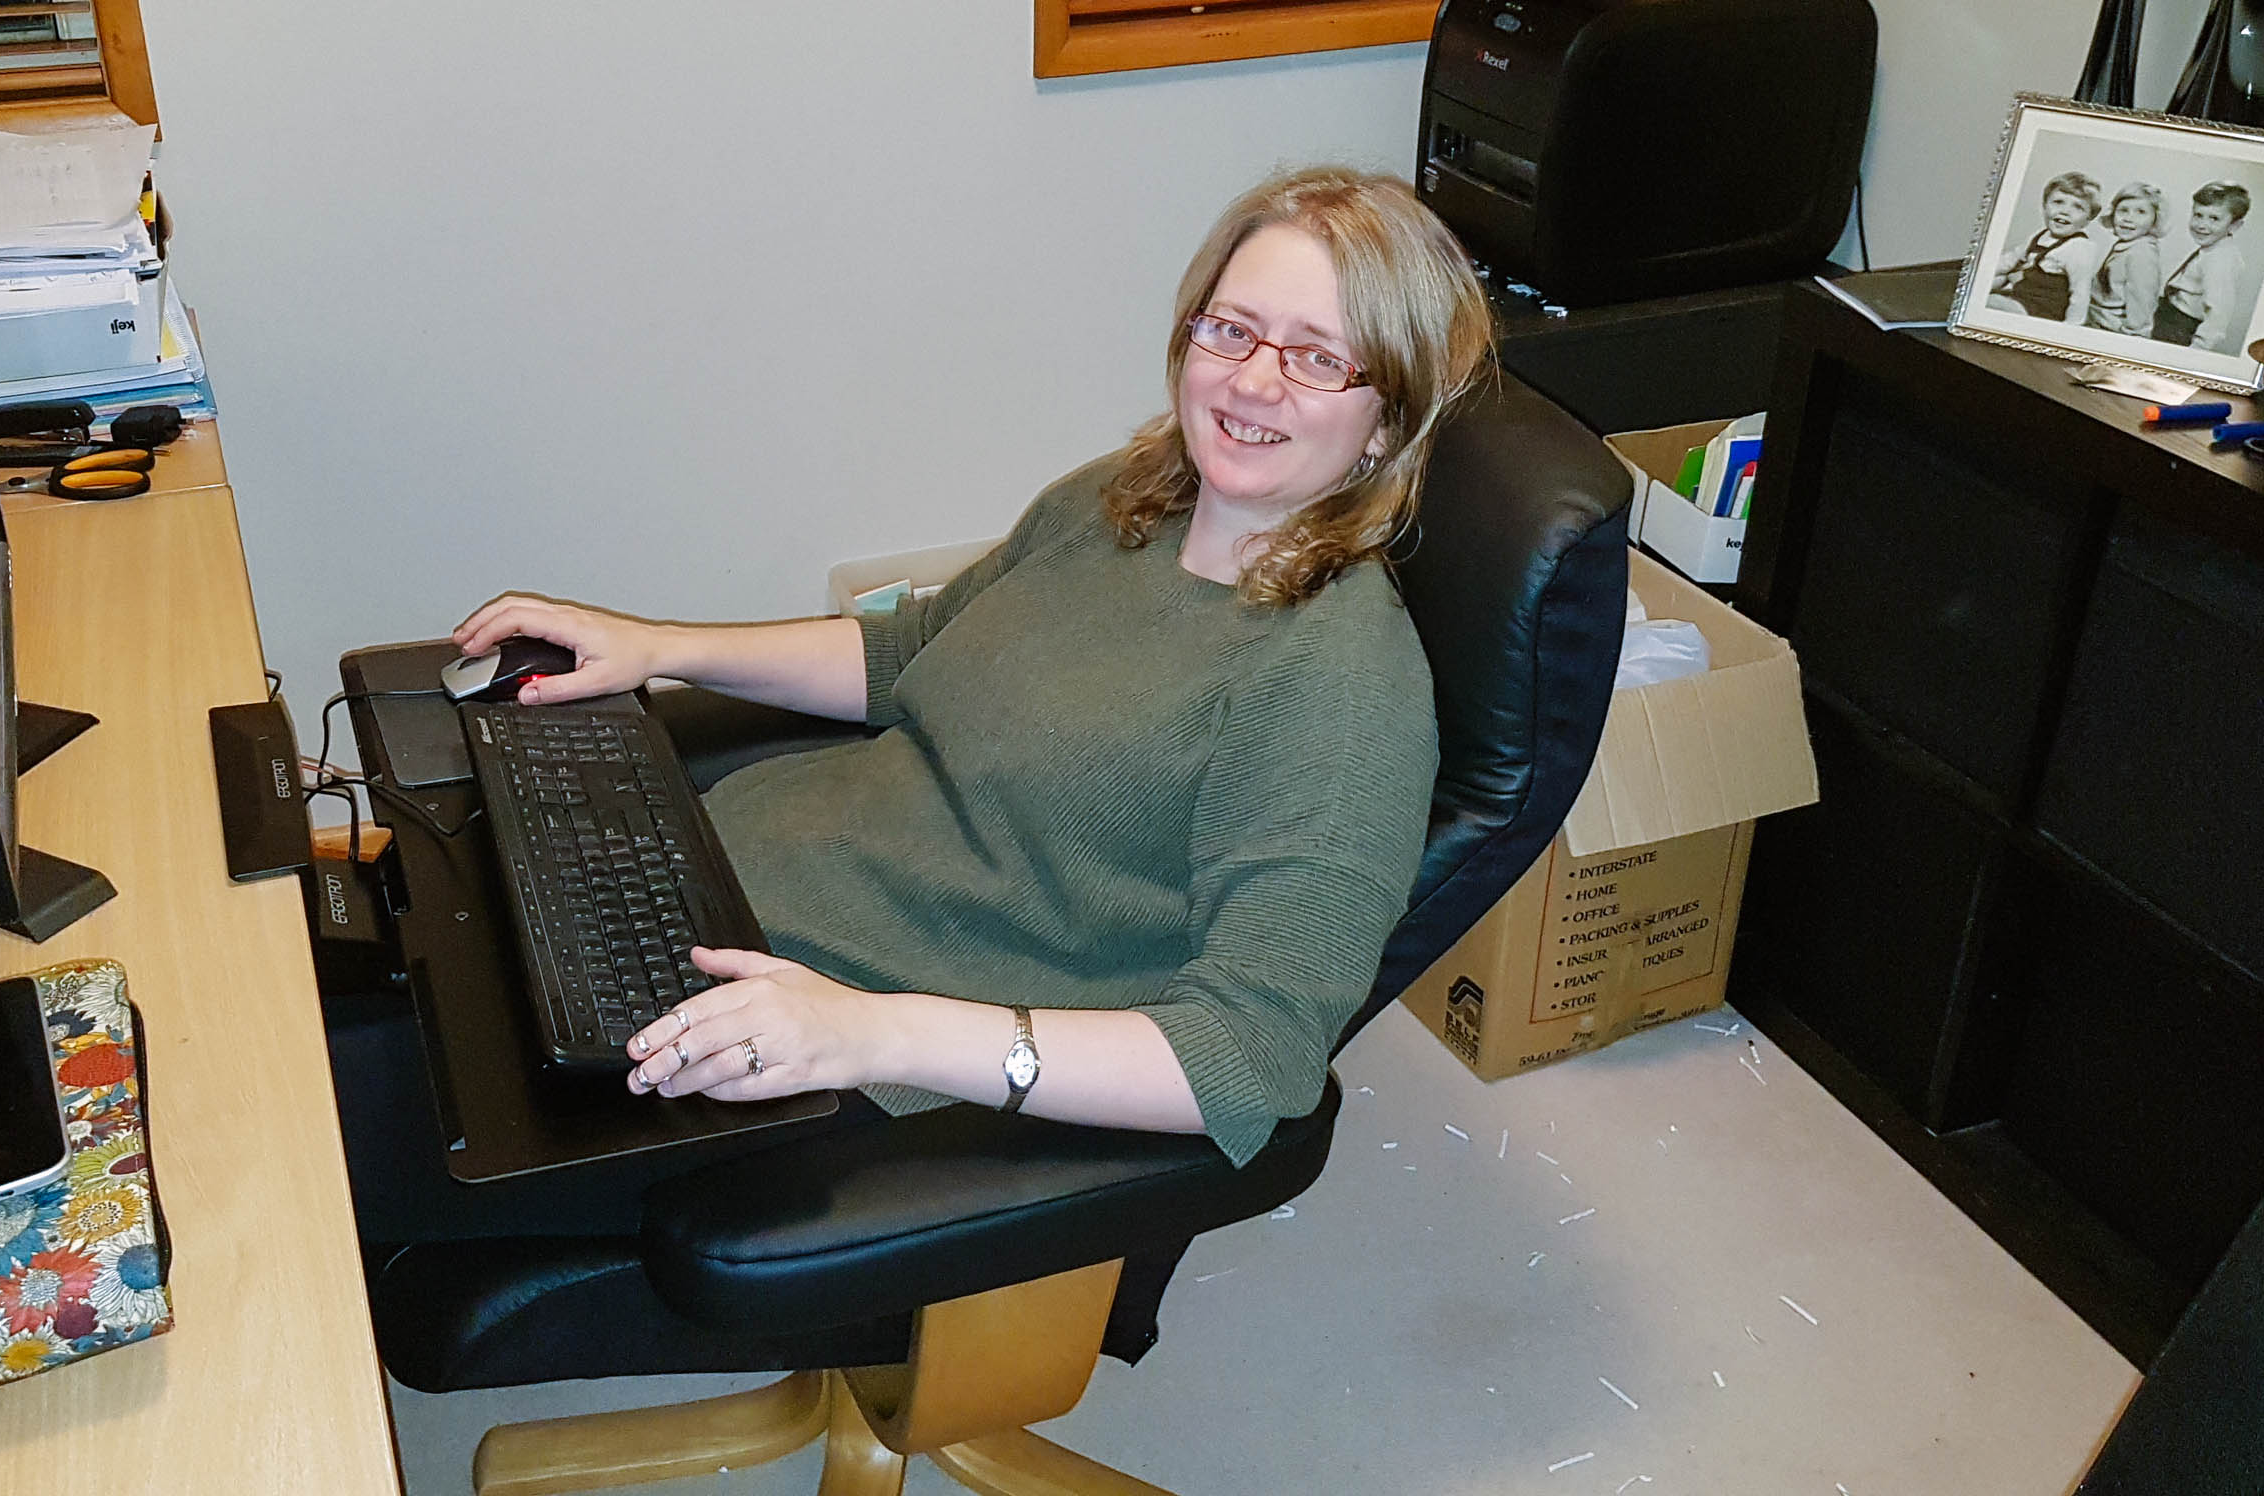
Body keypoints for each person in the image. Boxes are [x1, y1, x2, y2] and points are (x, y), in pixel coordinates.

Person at [446, 165, 1488, 1180]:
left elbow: (1251, 1056)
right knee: (394, 949)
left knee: (368, 1127)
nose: (1252, 379)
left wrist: (867, 1034)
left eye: (1315, 359)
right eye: (1231, 329)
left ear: (1385, 420)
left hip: (815, 1047)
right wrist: (658, 646)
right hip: (715, 883)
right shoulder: (1117, 501)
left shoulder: (1338, 687)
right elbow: (914, 652)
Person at [1990, 172, 2105, 325]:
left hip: (2044, 310)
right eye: (2058, 202)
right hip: (2023, 296)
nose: (2065, 211)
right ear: (2044, 206)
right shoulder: (2040, 235)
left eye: (2078, 207)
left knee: (1992, 302)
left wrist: (2071, 326)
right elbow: (2010, 260)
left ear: (2088, 219)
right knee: (1997, 279)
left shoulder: (2080, 248)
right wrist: (1984, 272)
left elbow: (2080, 293)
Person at [2153, 180, 2253, 352]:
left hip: (2180, 329)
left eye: (2214, 219)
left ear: (2234, 226)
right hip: (2169, 318)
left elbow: (2218, 314)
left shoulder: (2221, 259)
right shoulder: (2212, 250)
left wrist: (2196, 350)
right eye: (2198, 215)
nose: (2202, 225)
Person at [2085, 181, 2167, 337]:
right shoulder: (2128, 245)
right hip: (2097, 320)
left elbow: (2142, 304)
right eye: (2123, 210)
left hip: (2113, 330)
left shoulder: (2141, 253)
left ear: (2155, 220)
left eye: (2141, 212)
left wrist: (2131, 335)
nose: (2129, 218)